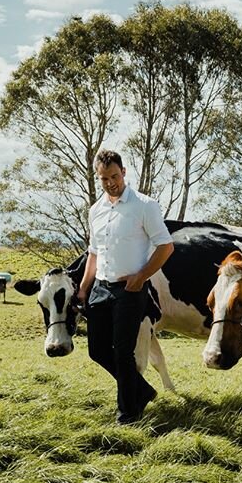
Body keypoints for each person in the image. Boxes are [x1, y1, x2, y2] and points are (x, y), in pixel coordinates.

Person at [77, 149, 174, 425]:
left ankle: (127, 414)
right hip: (100, 289)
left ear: (124, 172)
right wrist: (84, 288)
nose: (110, 183)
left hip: (129, 290)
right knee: (97, 350)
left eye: (115, 176)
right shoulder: (95, 210)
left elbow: (166, 247)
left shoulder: (145, 205)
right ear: (98, 177)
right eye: (104, 178)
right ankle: (141, 391)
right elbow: (94, 252)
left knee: (122, 352)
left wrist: (141, 276)